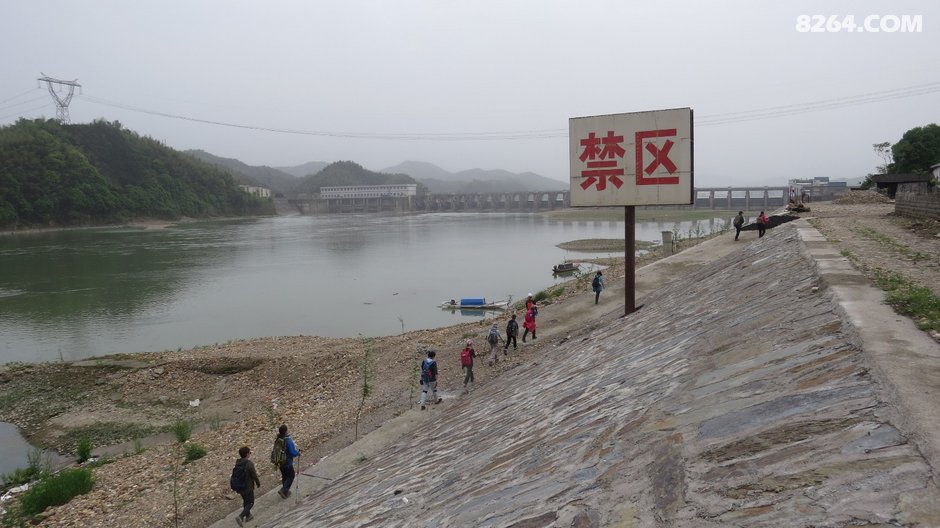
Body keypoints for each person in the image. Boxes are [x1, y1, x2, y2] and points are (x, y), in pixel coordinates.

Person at [234, 446, 261, 526]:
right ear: (247, 454)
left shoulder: (238, 463)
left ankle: (248, 516)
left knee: (246, 501)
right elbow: (254, 475)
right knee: (251, 502)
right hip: (248, 487)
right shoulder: (249, 464)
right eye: (250, 453)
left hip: (240, 486)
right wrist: (258, 483)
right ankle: (241, 516)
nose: (250, 454)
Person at [275, 424, 300, 499]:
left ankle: (285, 492)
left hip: (279, 462)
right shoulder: (288, 440)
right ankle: (284, 490)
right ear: (286, 431)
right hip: (287, 462)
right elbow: (292, 452)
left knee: (285, 476)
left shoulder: (278, 439)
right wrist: (298, 453)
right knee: (291, 475)